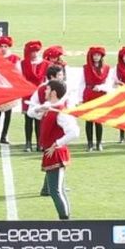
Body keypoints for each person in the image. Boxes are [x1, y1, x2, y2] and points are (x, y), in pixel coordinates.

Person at [27, 80, 79, 220]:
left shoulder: (60, 112)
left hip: (55, 153)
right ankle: (65, 217)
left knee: (56, 191)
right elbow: (31, 113)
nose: (44, 91)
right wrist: (39, 109)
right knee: (55, 189)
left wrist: (57, 143)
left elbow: (74, 132)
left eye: (47, 89)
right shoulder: (49, 107)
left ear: (54, 93)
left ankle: (65, 219)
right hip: (50, 152)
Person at [78, 47, 110, 151]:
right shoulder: (86, 68)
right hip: (89, 94)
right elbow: (81, 83)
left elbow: (108, 84)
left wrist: (100, 87)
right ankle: (90, 143)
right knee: (89, 120)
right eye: (94, 55)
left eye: (98, 55)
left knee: (98, 120)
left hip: (100, 95)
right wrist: (80, 98)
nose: (96, 57)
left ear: (101, 56)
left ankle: (99, 142)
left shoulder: (106, 68)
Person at [21, 41, 50, 152]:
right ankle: (28, 142)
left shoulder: (46, 64)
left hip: (40, 94)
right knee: (28, 119)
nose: (34, 54)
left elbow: (47, 80)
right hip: (27, 94)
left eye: (36, 51)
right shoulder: (23, 63)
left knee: (39, 120)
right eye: (32, 52)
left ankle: (40, 143)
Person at [0, 36, 19, 144]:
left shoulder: (14, 58)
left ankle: (4, 136)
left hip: (9, 88)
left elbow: (17, 73)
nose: (3, 48)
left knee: (8, 112)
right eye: (1, 46)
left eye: (5, 46)